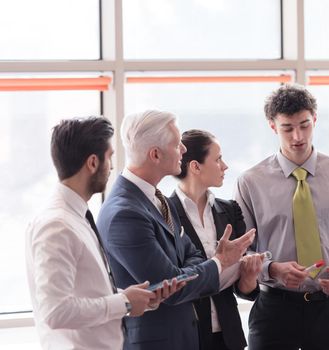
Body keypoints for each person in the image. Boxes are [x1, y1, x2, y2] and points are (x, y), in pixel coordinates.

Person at [97, 110, 255, 350]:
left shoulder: (156, 199)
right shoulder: (125, 212)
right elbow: (170, 285)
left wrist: (187, 270)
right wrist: (220, 261)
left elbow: (191, 255)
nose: (183, 149)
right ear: (155, 154)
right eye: (176, 143)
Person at [26, 116, 179, 350]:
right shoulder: (57, 225)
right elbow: (56, 311)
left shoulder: (75, 216)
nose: (112, 167)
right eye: (110, 158)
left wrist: (132, 298)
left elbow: (85, 291)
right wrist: (124, 302)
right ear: (93, 163)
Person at [235, 84, 329, 350]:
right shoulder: (250, 182)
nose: (297, 136)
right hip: (274, 310)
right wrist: (272, 269)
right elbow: (240, 252)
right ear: (272, 126)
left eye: (305, 125)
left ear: (315, 119)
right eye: (287, 128)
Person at [170, 129, 263, 350]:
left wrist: (249, 278)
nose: (225, 166)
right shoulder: (165, 213)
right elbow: (176, 279)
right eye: (218, 158)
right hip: (187, 337)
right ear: (195, 166)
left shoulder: (230, 210)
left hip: (228, 337)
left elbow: (244, 288)